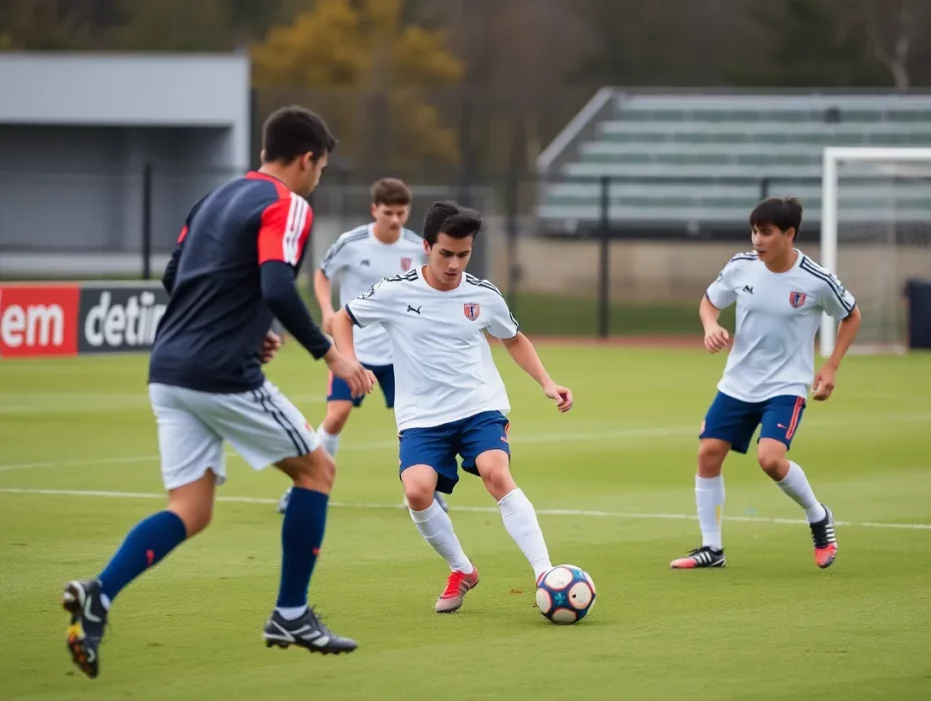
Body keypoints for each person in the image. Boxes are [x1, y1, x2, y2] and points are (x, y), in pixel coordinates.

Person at [61, 106, 375, 679]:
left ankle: (98, 594)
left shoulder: (214, 199)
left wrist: (250, 331)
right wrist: (331, 353)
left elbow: (175, 276)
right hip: (219, 374)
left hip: (168, 370)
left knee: (191, 508)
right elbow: (276, 283)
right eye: (322, 168)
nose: (318, 178)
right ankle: (291, 613)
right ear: (307, 159)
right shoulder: (288, 204)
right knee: (317, 471)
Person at [333, 200, 574, 613]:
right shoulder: (396, 291)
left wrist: (547, 382)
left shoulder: (483, 295)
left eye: (464, 254)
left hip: (479, 406)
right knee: (417, 491)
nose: (454, 264)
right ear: (427, 247)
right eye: (446, 253)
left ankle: (545, 573)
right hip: (421, 416)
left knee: (496, 473)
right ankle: (462, 569)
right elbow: (343, 318)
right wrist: (350, 362)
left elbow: (513, 338)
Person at [671, 196, 862, 571]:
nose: (757, 239)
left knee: (770, 459)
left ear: (789, 234)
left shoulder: (816, 279)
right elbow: (709, 303)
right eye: (754, 231)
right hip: (738, 382)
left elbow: (851, 316)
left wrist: (831, 366)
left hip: (786, 385)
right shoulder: (741, 266)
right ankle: (712, 549)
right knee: (708, 453)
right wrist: (711, 326)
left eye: (766, 232)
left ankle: (818, 516)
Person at [275, 178, 448, 514]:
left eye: (401, 213)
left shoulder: (417, 247)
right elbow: (322, 274)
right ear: (374, 210)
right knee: (337, 415)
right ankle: (304, 487)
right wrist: (327, 311)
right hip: (352, 351)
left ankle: (426, 489)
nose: (395, 219)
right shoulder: (351, 243)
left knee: (414, 423)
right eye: (388, 213)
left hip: (401, 354)